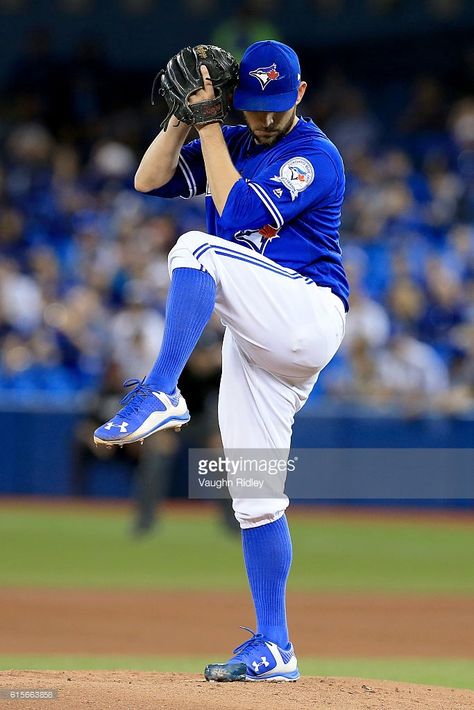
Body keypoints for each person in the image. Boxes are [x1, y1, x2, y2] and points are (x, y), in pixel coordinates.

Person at [94, 40, 349, 681]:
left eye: (274, 105)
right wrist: (183, 116)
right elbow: (148, 179)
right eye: (250, 108)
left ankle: (160, 391)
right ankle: (275, 646)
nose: (262, 119)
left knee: (197, 248)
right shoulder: (230, 139)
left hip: (306, 314)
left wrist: (211, 126)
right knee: (255, 498)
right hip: (258, 339)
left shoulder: (314, 154)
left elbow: (234, 218)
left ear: (300, 92)